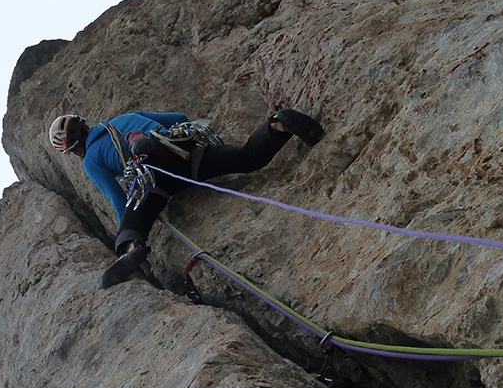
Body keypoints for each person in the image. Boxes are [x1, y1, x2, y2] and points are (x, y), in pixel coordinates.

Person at [49, 107, 324, 288]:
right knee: (246, 157)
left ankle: (132, 254)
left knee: (132, 224)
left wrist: (128, 230)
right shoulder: (124, 118)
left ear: (73, 149)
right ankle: (278, 126)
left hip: (154, 172)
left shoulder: (91, 161)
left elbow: (119, 199)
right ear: (85, 124)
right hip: (184, 150)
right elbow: (179, 117)